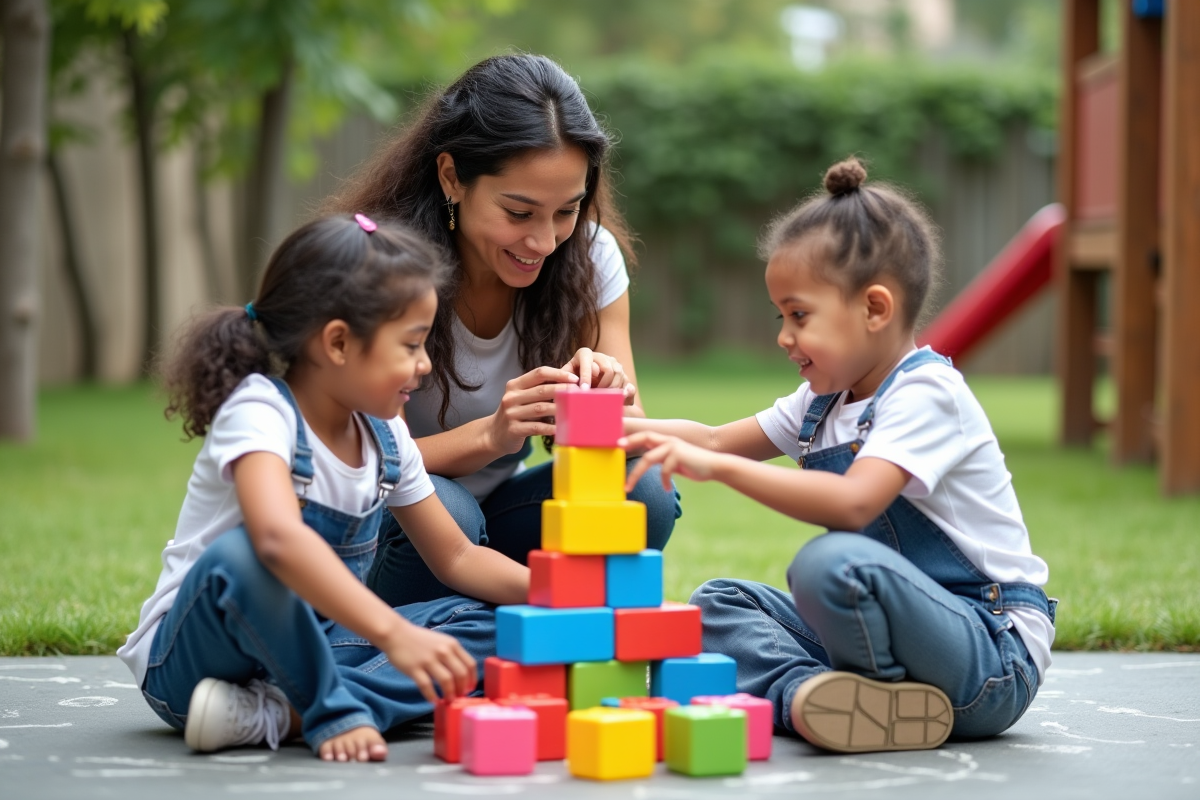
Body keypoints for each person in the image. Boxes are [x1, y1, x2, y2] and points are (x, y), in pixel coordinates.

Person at [619, 158, 1055, 753]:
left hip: (988, 653)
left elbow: (854, 503)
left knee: (831, 564)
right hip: (882, 634)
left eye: (799, 315)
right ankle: (810, 697)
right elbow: (716, 438)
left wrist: (719, 471)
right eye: (781, 316)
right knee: (719, 602)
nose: (783, 336)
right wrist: (607, 426)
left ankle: (872, 696)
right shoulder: (823, 402)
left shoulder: (926, 393)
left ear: (875, 309)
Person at [116, 215, 529, 762]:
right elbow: (276, 540)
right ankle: (332, 708)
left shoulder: (385, 434)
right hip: (193, 664)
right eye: (411, 345)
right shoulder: (260, 411)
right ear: (337, 342)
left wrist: (575, 597)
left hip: (311, 650)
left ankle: (275, 714)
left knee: (495, 625)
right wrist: (393, 634)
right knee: (245, 556)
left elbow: (457, 556)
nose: (425, 365)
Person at [323, 54, 680, 608]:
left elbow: (632, 440)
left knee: (644, 489)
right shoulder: (378, 267)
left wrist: (606, 396)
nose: (545, 241)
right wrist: (492, 435)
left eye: (567, 210)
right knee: (450, 509)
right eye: (519, 212)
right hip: (380, 527)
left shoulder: (589, 256)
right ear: (451, 177)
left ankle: (497, 613)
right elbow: (354, 459)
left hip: (493, 524)